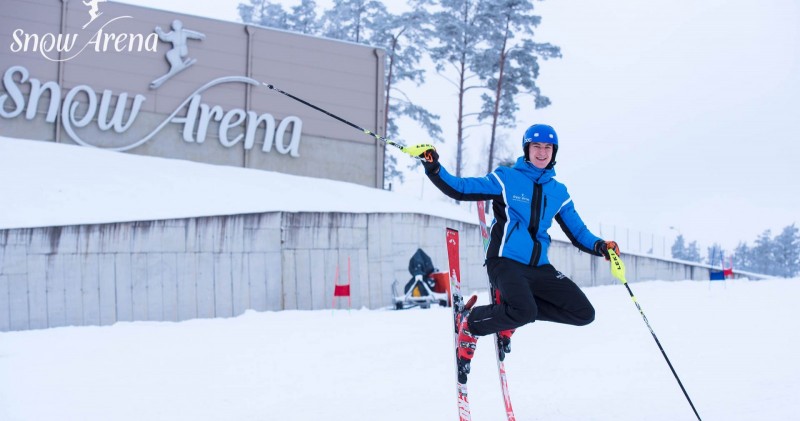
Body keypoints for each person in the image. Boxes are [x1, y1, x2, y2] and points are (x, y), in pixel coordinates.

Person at [416, 124, 620, 382]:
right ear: (527, 149)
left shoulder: (558, 192)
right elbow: (461, 188)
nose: (542, 152)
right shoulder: (506, 178)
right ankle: (471, 323)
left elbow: (578, 232)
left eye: (548, 147)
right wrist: (434, 168)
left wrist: (601, 245)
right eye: (536, 146)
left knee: (583, 313)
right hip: (505, 262)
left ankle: (508, 313)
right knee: (524, 312)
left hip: (539, 268)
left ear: (554, 152)